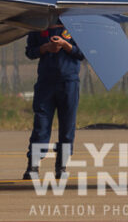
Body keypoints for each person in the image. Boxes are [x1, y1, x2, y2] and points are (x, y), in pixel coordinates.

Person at [23, 24, 84, 180]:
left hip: (69, 83)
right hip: (46, 83)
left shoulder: (76, 26)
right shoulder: (39, 25)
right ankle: (33, 165)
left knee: (67, 126)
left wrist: (65, 45)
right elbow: (30, 51)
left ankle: (61, 166)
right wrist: (45, 48)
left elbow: (83, 53)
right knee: (41, 125)